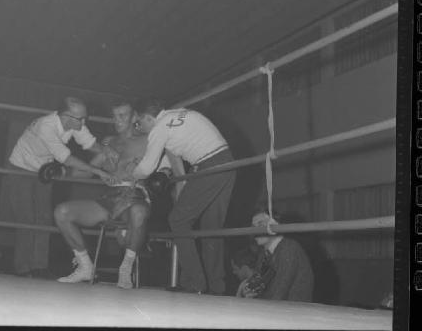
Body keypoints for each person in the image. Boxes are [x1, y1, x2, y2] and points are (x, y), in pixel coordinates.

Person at [54, 101, 174, 288]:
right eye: (114, 116)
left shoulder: (148, 139)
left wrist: (155, 173)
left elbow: (169, 158)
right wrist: (61, 171)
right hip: (108, 199)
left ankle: (125, 269)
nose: (117, 120)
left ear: (135, 117)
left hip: (135, 195)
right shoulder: (109, 143)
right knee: (62, 212)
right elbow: (89, 170)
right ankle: (85, 267)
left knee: (139, 212)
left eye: (122, 116)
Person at [131, 99, 236, 295]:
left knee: (177, 220)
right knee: (212, 227)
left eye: (139, 122)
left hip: (209, 166)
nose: (139, 127)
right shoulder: (180, 114)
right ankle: (216, 286)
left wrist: (131, 177)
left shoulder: (159, 128)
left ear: (148, 117)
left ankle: (195, 283)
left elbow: (146, 167)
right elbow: (172, 161)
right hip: (227, 163)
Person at [3, 97, 112, 278]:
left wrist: (109, 152)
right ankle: (23, 269)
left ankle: (39, 267)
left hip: (43, 170)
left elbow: (91, 144)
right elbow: (66, 159)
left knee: (44, 217)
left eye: (85, 118)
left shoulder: (75, 123)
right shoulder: (47, 126)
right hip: (20, 168)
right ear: (66, 116)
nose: (84, 122)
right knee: (26, 219)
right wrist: (97, 170)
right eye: (80, 119)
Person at [250, 211, 314, 302]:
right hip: (276, 310)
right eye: (253, 226)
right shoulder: (264, 253)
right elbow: (256, 286)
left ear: (276, 224)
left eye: (260, 224)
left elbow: (278, 294)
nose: (255, 231)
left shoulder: (289, 248)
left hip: (293, 312)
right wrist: (249, 292)